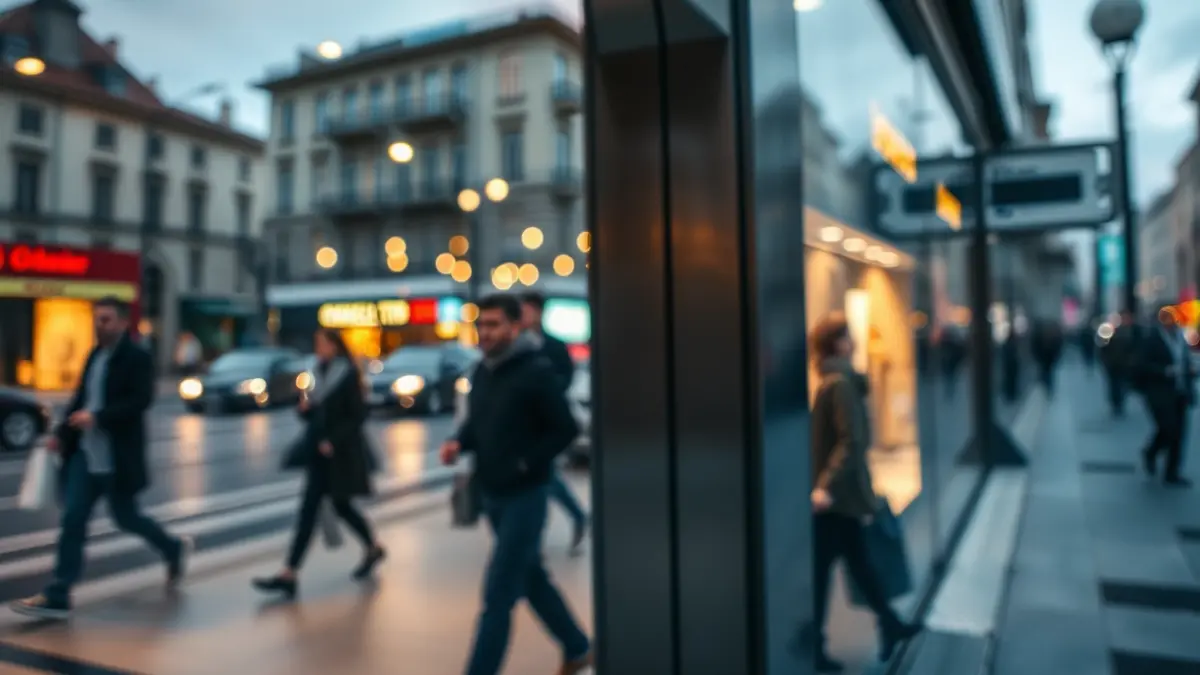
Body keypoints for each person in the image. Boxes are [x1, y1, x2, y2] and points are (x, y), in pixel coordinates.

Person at [11, 297, 191, 620]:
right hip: (85, 454)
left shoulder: (137, 357)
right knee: (73, 519)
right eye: (97, 319)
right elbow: (81, 397)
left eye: (106, 320)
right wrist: (62, 435)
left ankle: (173, 548)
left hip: (116, 457)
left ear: (123, 323)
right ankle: (59, 593)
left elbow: (140, 400)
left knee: (126, 518)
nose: (99, 325)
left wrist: (99, 418)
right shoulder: (95, 354)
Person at [440, 293, 592, 675]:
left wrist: (527, 463)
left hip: (527, 494)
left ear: (514, 326)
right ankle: (578, 648)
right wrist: (459, 440)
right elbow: (478, 423)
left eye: (493, 325)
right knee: (531, 578)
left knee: (498, 593)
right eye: (481, 325)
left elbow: (566, 428)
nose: (485, 333)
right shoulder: (482, 371)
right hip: (493, 494)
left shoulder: (535, 371)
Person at [808, 313, 919, 673]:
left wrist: (825, 486)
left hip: (835, 499)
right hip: (843, 498)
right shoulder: (839, 381)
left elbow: (851, 442)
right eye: (846, 336)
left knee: (825, 570)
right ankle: (889, 624)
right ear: (834, 343)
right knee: (854, 564)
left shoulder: (836, 383)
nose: (852, 341)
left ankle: (816, 642)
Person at [253, 329, 385, 598]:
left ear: (335, 346)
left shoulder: (347, 374)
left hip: (341, 454)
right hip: (318, 453)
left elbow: (358, 415)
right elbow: (317, 414)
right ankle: (289, 572)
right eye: (317, 343)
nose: (319, 348)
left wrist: (333, 441)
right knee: (310, 510)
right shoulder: (315, 373)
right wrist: (305, 411)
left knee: (341, 505)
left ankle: (372, 547)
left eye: (323, 343)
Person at [519, 290, 588, 555]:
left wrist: (545, 392)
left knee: (544, 475)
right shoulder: (520, 344)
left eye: (527, 310)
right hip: (526, 423)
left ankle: (538, 535)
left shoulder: (555, 346)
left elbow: (566, 379)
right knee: (547, 476)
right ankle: (577, 516)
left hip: (546, 423)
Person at [1133, 307, 1195, 487]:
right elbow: (1142, 364)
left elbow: (1185, 361)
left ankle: (1172, 473)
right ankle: (1151, 452)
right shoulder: (1151, 338)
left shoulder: (1181, 338)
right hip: (1159, 391)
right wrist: (1164, 371)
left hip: (1180, 391)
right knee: (1168, 428)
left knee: (1180, 433)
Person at [1101, 310, 1140, 417]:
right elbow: (1103, 348)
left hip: (1124, 364)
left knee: (1122, 385)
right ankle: (1116, 403)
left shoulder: (1132, 331)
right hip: (1113, 364)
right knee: (1114, 385)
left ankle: (1119, 403)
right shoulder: (1111, 331)